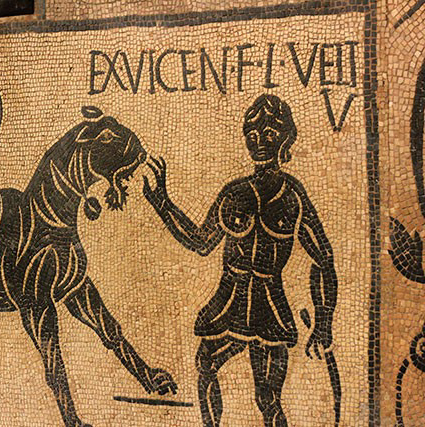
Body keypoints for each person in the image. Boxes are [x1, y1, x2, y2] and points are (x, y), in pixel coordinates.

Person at [143, 94, 338, 427]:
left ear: (285, 138)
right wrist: (163, 203)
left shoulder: (293, 196)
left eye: (269, 134)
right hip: (230, 301)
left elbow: (324, 259)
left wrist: (323, 323)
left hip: (270, 306)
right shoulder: (234, 193)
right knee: (206, 364)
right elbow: (201, 241)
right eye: (253, 135)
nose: (260, 142)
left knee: (267, 397)